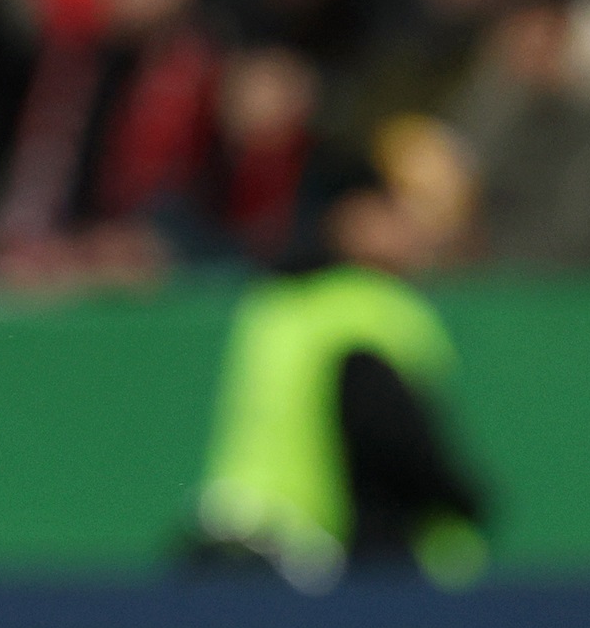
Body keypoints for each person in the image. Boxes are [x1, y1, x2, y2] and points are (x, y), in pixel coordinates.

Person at [188, 177, 489, 587]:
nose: (416, 230)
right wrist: (462, 500)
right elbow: (393, 439)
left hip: (237, 541)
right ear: (355, 218)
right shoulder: (371, 311)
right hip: (315, 563)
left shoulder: (272, 305)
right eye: (397, 211)